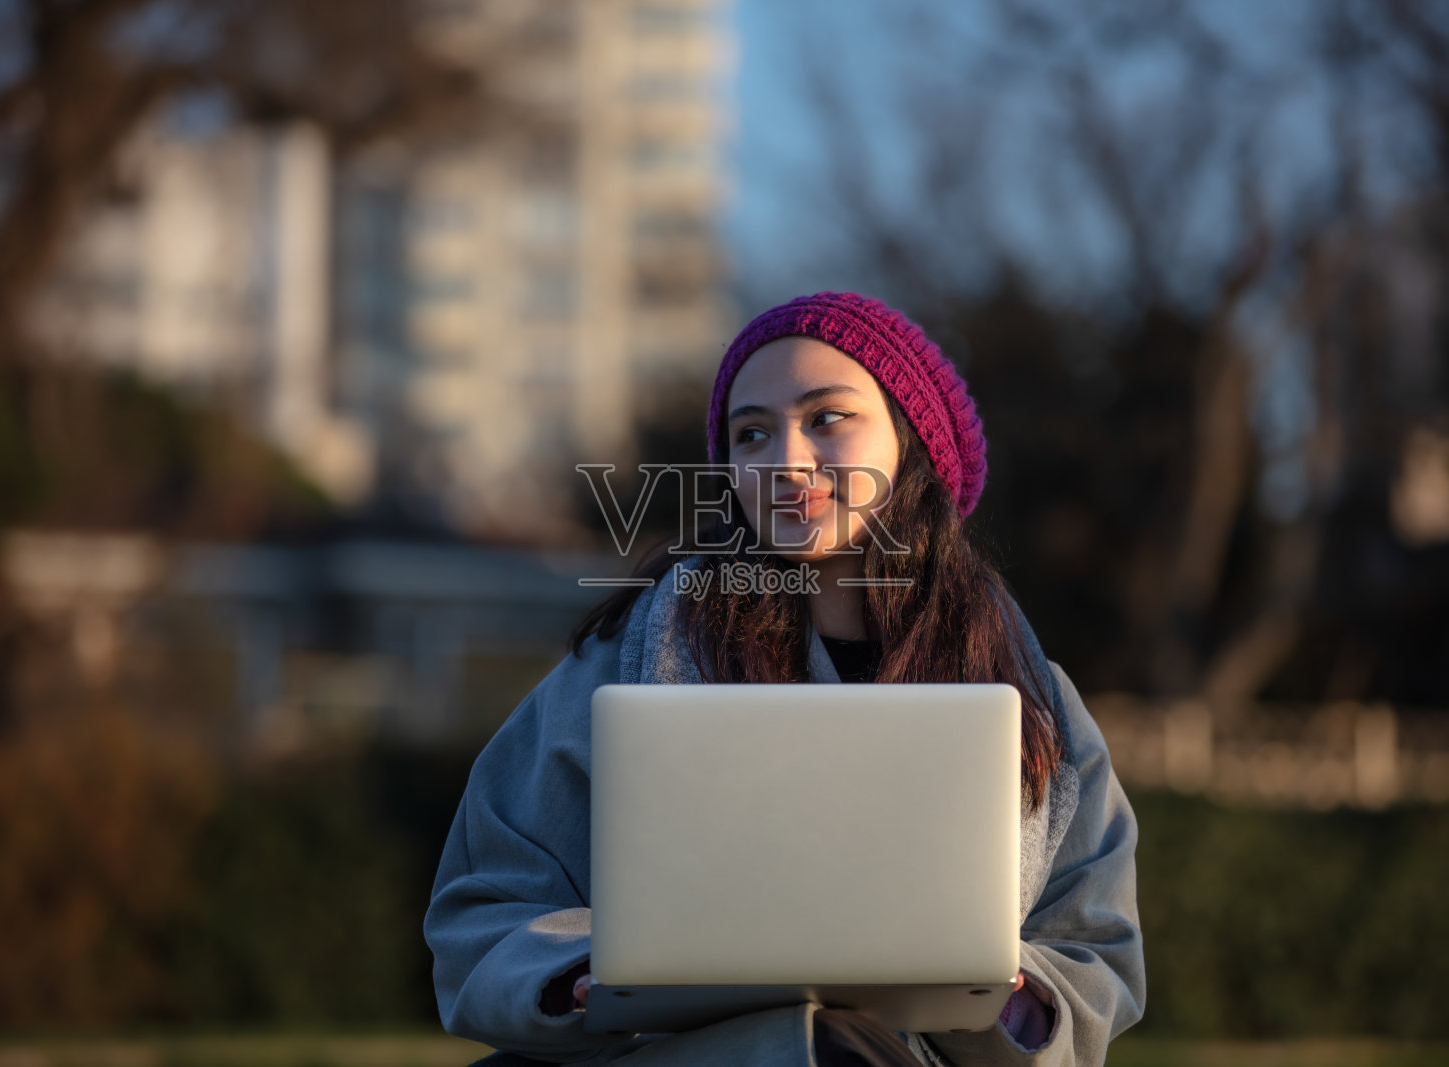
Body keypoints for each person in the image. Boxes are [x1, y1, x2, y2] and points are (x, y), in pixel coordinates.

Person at [425, 292, 1146, 1065]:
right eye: (752, 434)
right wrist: (575, 973)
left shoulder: (1033, 700)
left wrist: (1012, 995)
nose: (785, 461)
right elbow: (486, 904)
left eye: (828, 418)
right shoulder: (619, 665)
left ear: (913, 442)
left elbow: (1093, 946)